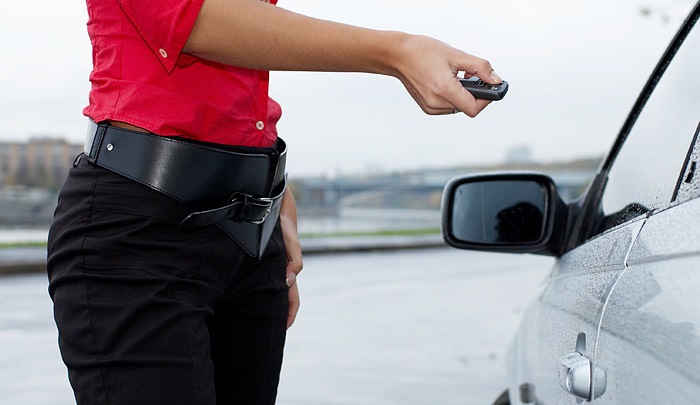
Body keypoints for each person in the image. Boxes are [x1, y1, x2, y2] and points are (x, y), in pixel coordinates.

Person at [47, 0, 503, 404]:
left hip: (248, 233)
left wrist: (270, 188)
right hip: (139, 237)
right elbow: (194, 18)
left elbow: (236, 75)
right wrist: (397, 52)